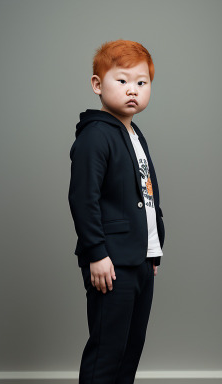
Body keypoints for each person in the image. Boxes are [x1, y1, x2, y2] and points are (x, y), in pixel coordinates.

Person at [68, 39, 165, 384]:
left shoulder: (134, 134)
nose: (133, 90)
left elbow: (146, 196)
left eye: (141, 82)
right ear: (97, 85)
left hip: (139, 259)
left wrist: (152, 251)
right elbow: (83, 198)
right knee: (108, 350)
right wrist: (97, 252)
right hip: (110, 261)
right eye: (121, 81)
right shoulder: (96, 135)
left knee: (130, 349)